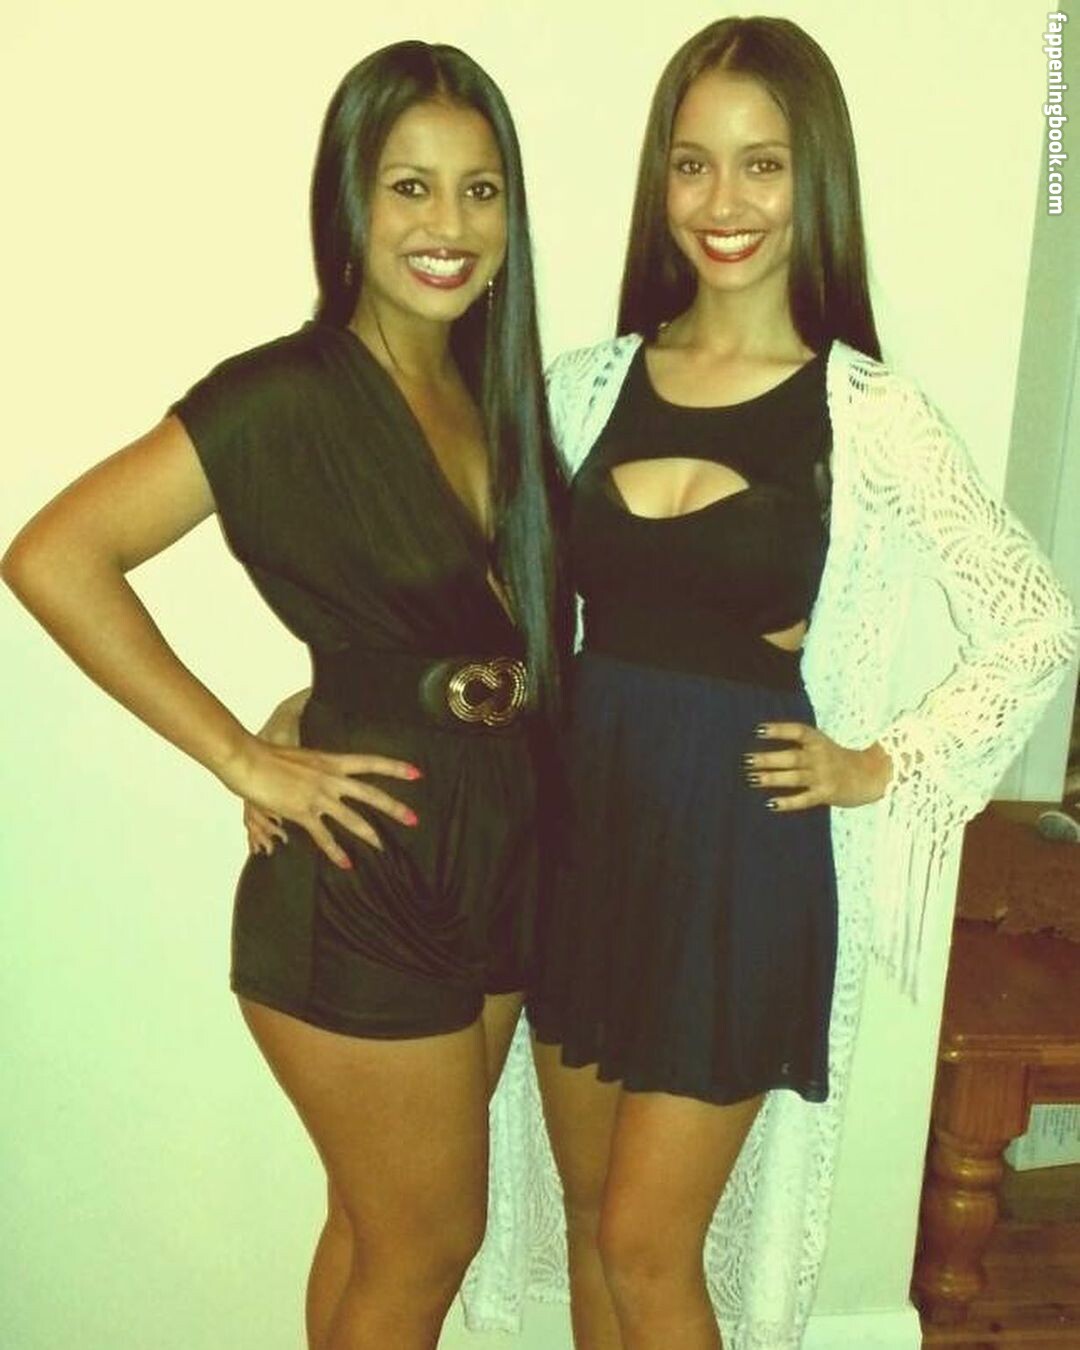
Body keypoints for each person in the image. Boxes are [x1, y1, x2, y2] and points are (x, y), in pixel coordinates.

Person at [459, 16, 1076, 1350]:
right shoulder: (584, 387)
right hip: (582, 846)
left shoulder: (867, 413)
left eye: (762, 164)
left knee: (648, 1244)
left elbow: (1034, 621)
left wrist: (885, 760)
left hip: (740, 862)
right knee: (590, 1217)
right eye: (693, 165)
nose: (722, 202)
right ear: (661, 181)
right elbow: (491, 604)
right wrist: (316, 706)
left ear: (815, 179)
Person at [2, 40, 565, 1350]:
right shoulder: (286, 395)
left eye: (480, 190)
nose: (448, 223)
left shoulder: (494, 387)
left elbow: (467, 624)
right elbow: (55, 556)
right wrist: (238, 755)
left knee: (377, 1234)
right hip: (364, 873)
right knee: (426, 1243)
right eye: (410, 186)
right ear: (351, 201)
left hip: (499, 849)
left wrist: (314, 699)